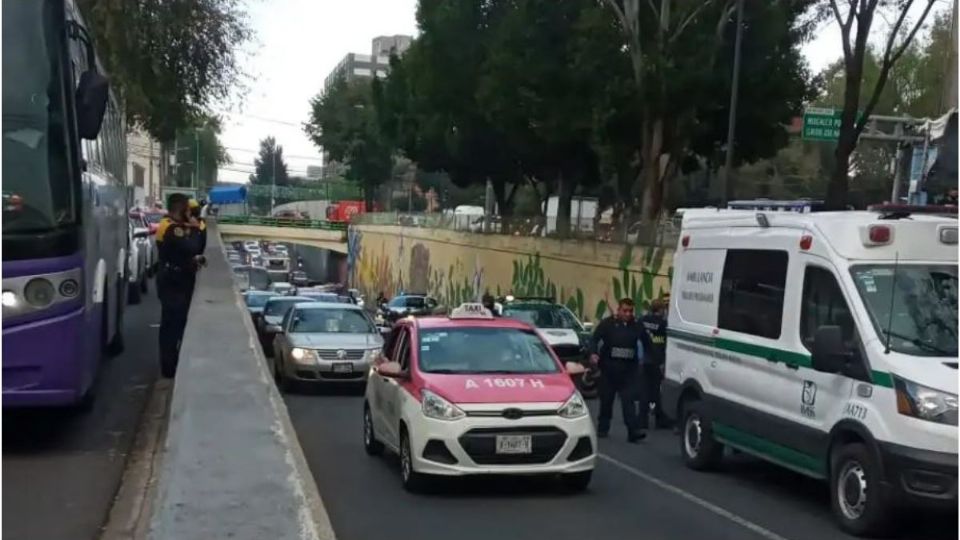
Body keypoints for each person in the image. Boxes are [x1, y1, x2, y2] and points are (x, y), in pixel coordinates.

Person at [156, 194, 206, 378]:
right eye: (188, 210)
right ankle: (169, 367)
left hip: (177, 278)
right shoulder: (170, 227)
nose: (190, 213)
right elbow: (192, 246)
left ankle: (171, 363)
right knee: (173, 325)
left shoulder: (172, 226)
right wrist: (195, 229)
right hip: (173, 281)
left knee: (175, 323)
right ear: (181, 209)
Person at [590, 298, 653, 442]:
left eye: (630, 311)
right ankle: (603, 428)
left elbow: (648, 344)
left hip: (628, 371)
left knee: (628, 402)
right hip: (609, 370)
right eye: (625, 310)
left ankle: (633, 432)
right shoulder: (608, 324)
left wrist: (652, 362)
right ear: (618, 310)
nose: (628, 314)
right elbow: (594, 339)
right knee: (606, 401)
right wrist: (593, 353)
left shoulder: (637, 326)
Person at [640, 297, 671, 429]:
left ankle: (642, 420)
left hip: (644, 360)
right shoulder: (663, 324)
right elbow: (666, 343)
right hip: (656, 360)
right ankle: (659, 418)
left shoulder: (643, 320)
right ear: (661, 310)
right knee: (657, 391)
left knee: (644, 391)